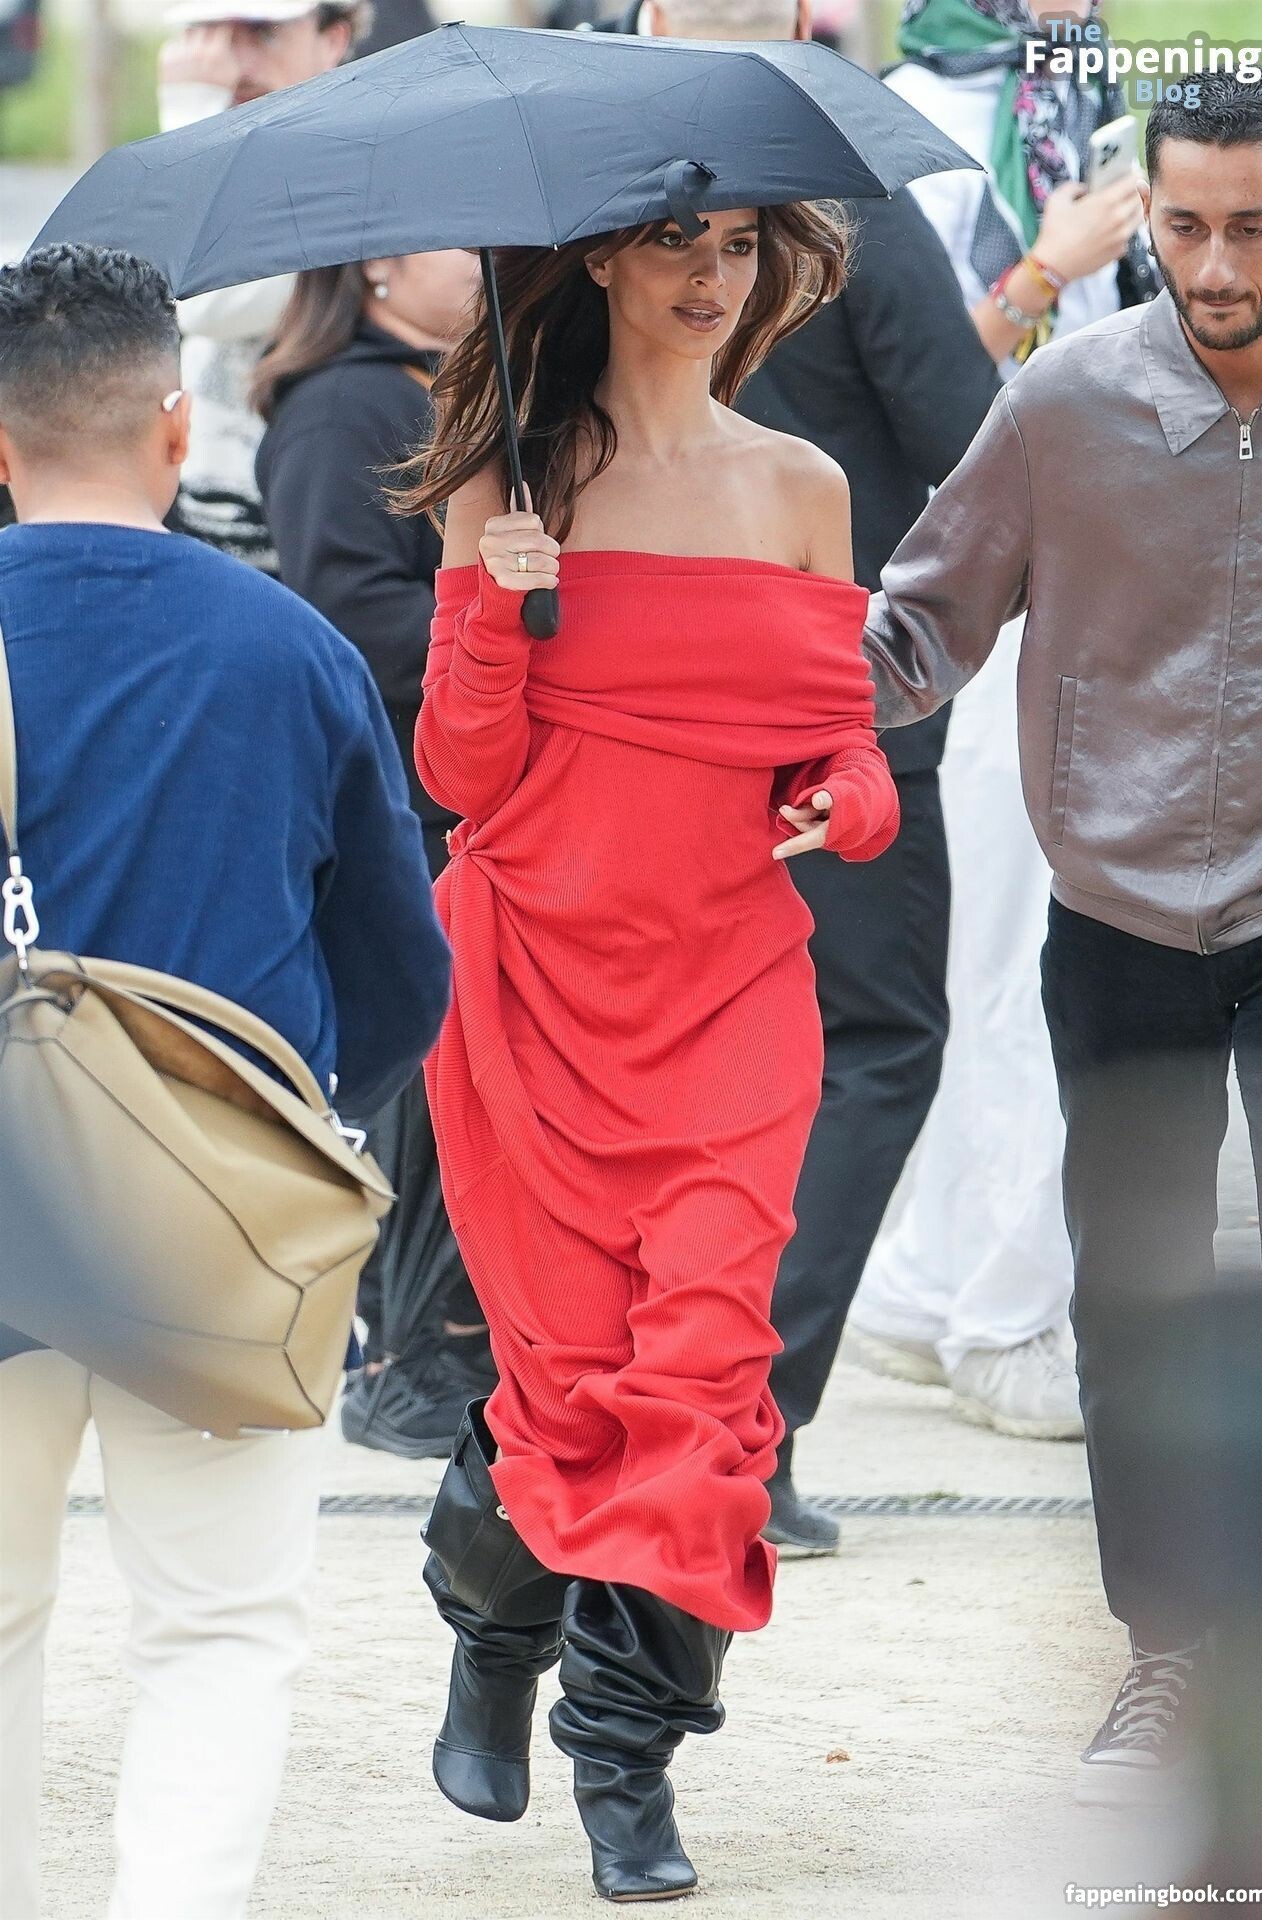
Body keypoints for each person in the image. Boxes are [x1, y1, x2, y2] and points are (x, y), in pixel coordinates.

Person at [406, 205, 899, 1898]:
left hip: (729, 996)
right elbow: (459, 778)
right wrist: (496, 603)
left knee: (699, 1382)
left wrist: (851, 799)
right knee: (563, 1383)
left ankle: (626, 1765)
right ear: (604, 260)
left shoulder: (805, 486)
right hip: (536, 989)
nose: (712, 274)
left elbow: (832, 738)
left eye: (743, 245)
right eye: (679, 240)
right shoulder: (510, 485)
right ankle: (492, 1628)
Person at [0, 244, 450, 1920]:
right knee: (219, 1629)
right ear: (175, 427)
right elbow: (403, 980)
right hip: (220, 1226)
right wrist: (299, 1125)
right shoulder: (290, 651)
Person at [858, 70, 1262, 1804]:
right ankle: (1169, 1650)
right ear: (1146, 215)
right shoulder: (1065, 404)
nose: (1216, 264)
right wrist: (739, 697)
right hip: (1118, 916)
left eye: (1254, 227)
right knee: (1137, 1299)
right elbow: (917, 629)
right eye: (1184, 226)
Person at [634, 0, 1000, 1553]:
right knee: (871, 1046)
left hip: (640, 696)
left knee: (680, 1057)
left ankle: (661, 1411)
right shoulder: (839, 205)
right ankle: (743, 1427)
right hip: (826, 692)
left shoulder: (590, 209)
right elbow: (976, 445)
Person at [849, 0, 1151, 1438]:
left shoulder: (1092, 105)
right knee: (1041, 951)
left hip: (1109, 547)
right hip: (994, 564)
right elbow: (916, 381)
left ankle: (923, 1287)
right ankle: (1005, 1313)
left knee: (1026, 944)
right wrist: (1049, 265)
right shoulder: (909, 119)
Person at [255, 247, 499, 1458]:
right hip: (401, 797)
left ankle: (444, 1347)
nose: (483, 258)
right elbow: (342, 609)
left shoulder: (445, 388)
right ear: (381, 265)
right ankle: (408, 1360)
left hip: (464, 786)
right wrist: (508, 623)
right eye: (457, 238)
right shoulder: (342, 405)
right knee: (422, 1076)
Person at [156, 0, 369, 569]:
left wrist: (194, 116)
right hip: (200, 506)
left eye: (263, 33)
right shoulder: (234, 155)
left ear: (332, 40)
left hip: (312, 519)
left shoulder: (351, 158)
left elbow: (203, 297)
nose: (233, 63)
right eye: (211, 34)